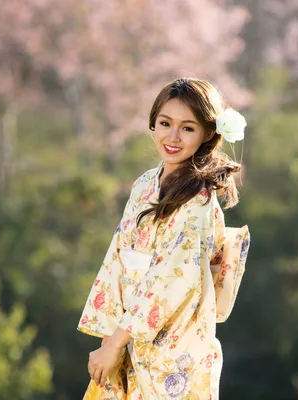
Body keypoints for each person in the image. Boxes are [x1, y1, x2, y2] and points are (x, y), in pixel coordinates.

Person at [77, 77, 250, 399]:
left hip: (175, 344)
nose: (172, 136)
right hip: (128, 335)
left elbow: (174, 278)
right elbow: (117, 258)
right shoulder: (145, 184)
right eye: (165, 123)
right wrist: (109, 338)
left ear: (208, 134)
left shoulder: (198, 200)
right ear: (152, 124)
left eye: (187, 128)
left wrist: (116, 341)